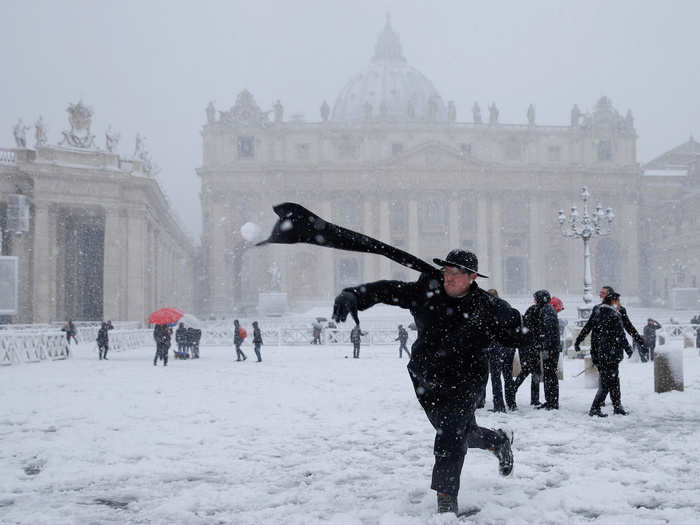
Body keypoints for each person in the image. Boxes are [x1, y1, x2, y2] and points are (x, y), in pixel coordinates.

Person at [332, 249, 519, 514]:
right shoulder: (425, 293)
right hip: (428, 377)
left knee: (450, 432)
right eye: (446, 272)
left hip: (467, 378)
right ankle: (498, 441)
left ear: (472, 277)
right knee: (460, 432)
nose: (449, 279)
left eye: (455, 274)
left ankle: (446, 502)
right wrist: (354, 294)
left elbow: (516, 334)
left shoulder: (487, 306)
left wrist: (515, 325)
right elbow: (388, 289)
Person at [587, 292, 633, 417]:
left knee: (613, 381)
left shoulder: (598, 313)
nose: (619, 304)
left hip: (602, 353)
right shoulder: (614, 315)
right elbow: (620, 335)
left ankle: (617, 406)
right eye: (618, 301)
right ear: (613, 302)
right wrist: (628, 349)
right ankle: (595, 408)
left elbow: (593, 334)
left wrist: (595, 353)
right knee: (608, 382)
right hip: (612, 354)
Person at [485, 289, 516, 412]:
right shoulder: (506, 305)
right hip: (509, 345)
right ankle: (512, 403)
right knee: (508, 375)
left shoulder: (489, 308)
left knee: (496, 376)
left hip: (496, 346)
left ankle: (499, 405)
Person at [512, 302, 543, 407]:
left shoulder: (530, 315)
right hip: (529, 347)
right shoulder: (536, 313)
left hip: (527, 347)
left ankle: (533, 398)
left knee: (530, 371)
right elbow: (534, 332)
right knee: (529, 371)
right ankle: (514, 390)